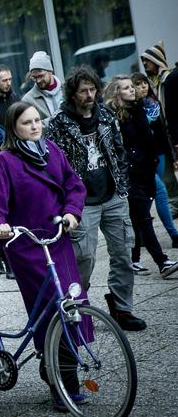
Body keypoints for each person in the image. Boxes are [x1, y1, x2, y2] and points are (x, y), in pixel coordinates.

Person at [0, 101, 91, 410]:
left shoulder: (52, 151)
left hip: (57, 240)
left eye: (37, 120)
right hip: (28, 247)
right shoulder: (4, 162)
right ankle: (60, 383)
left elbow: (74, 185)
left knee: (72, 306)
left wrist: (72, 213)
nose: (35, 126)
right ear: (13, 128)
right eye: (27, 122)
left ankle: (62, 372)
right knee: (50, 312)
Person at [47, 65, 146, 331]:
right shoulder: (58, 123)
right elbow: (52, 165)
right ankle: (77, 308)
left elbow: (119, 150)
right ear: (72, 93)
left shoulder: (105, 114)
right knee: (84, 258)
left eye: (92, 89)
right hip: (81, 202)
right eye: (83, 91)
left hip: (113, 195)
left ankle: (122, 308)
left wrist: (123, 187)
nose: (89, 95)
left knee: (124, 253)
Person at [103, 76, 178, 278]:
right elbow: (122, 146)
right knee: (144, 217)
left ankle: (133, 260)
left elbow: (150, 135)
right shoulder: (116, 116)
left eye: (132, 87)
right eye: (126, 88)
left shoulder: (138, 108)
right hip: (133, 173)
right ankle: (161, 262)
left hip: (147, 169)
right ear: (117, 92)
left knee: (137, 218)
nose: (132, 90)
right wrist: (132, 163)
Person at [131, 72, 178, 251]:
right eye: (138, 84)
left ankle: (141, 234)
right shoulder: (133, 109)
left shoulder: (154, 103)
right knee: (159, 193)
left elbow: (162, 131)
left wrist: (172, 155)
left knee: (152, 196)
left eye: (144, 83)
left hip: (159, 154)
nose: (142, 87)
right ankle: (173, 234)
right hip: (143, 160)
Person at [21, 51, 64, 127]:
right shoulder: (28, 100)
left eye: (41, 76)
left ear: (50, 71)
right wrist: (56, 121)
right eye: (34, 77)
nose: (38, 81)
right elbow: (28, 127)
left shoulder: (67, 89)